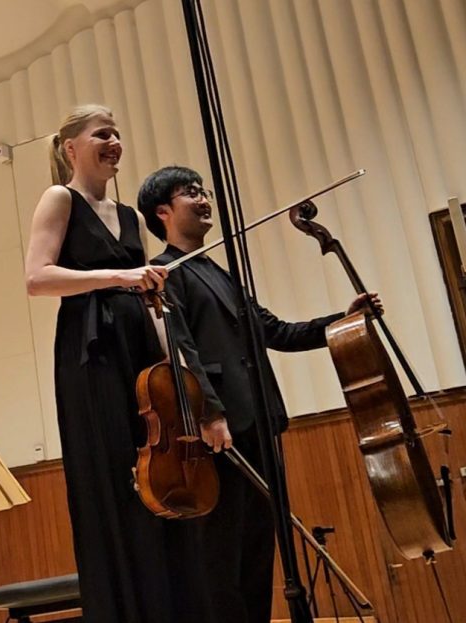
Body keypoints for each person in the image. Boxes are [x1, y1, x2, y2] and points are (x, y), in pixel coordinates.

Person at [137, 165, 382, 622]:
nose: (204, 198)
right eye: (190, 192)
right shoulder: (166, 273)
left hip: (259, 420)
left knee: (258, 554)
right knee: (221, 557)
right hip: (219, 434)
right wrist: (210, 414)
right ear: (163, 211)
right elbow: (182, 350)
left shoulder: (220, 272)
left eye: (203, 190)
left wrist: (343, 320)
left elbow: (275, 331)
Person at [23, 105, 213, 623]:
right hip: (93, 351)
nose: (114, 142)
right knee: (112, 474)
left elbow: (145, 293)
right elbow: (37, 278)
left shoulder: (129, 215)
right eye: (101, 134)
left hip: (138, 347)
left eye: (116, 134)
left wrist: (174, 359)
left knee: (152, 471)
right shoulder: (60, 198)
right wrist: (120, 277)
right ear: (71, 148)